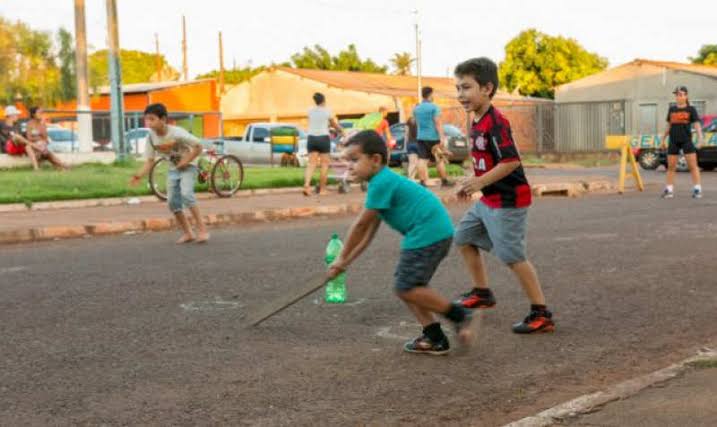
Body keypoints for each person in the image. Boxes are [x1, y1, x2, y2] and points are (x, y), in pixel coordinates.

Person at [326, 130, 475, 355]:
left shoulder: (380, 183)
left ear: (375, 160)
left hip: (427, 234)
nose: (350, 166)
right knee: (408, 286)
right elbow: (368, 234)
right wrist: (345, 263)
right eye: (348, 161)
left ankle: (459, 315)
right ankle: (434, 337)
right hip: (432, 232)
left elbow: (360, 226)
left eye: (355, 160)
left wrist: (339, 259)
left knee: (406, 287)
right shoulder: (383, 181)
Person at [452, 57, 555, 334]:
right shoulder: (476, 120)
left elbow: (510, 161)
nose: (460, 95)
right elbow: (486, 160)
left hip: (509, 201)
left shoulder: (497, 122)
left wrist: (479, 182)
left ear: (486, 88)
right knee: (463, 237)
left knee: (512, 256)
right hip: (489, 199)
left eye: (466, 88)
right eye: (458, 88)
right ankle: (482, 293)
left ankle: (541, 313)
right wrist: (470, 182)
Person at [130, 103, 210, 244]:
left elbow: (198, 146)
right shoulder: (151, 137)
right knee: (172, 202)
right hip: (174, 169)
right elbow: (149, 161)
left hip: (189, 166)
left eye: (152, 119)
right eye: (146, 119)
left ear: (163, 119)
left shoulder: (177, 133)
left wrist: (186, 160)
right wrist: (138, 175)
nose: (148, 123)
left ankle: (202, 230)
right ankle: (188, 233)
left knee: (186, 194)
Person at [660, 86, 704, 199]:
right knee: (671, 167)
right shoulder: (672, 109)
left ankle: (697, 190)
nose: (678, 97)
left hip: (686, 141)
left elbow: (697, 125)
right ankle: (669, 190)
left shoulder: (691, 109)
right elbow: (668, 125)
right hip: (673, 141)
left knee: (693, 166)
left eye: (681, 94)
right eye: (677, 94)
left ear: (686, 96)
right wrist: (663, 139)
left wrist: (700, 139)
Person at [304, 92, 343, 196]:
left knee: (311, 164)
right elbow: (334, 124)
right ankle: (322, 190)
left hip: (311, 138)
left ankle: (307, 186)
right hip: (323, 138)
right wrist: (342, 131)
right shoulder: (327, 111)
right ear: (324, 100)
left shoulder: (309, 110)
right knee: (324, 165)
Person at [405, 116, 420, 181]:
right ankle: (413, 178)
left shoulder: (408, 121)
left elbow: (406, 134)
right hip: (418, 143)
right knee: (418, 163)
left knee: (411, 163)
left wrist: (406, 144)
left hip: (410, 144)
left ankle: (411, 179)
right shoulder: (419, 120)